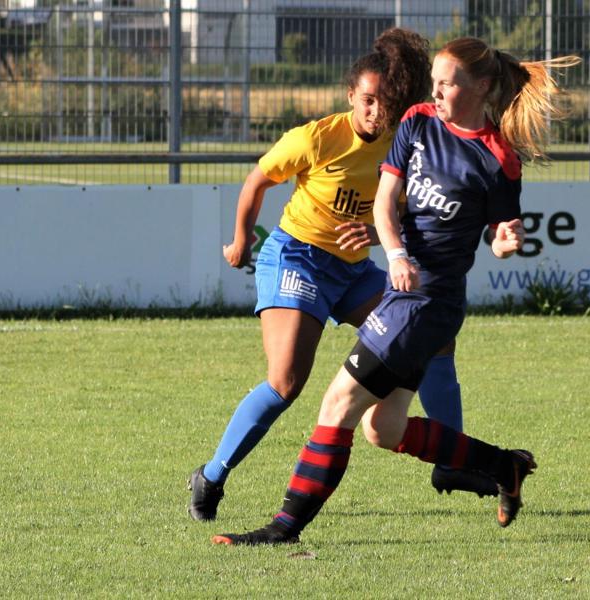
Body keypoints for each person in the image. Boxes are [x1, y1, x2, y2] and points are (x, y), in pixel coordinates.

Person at [212, 37, 580, 545]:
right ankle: (505, 466)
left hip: (431, 304)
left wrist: (506, 240)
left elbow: (497, 238)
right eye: (435, 83)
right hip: (402, 290)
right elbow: (387, 202)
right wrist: (397, 254)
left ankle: (284, 528)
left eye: (448, 84)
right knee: (383, 430)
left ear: (483, 87)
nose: (437, 92)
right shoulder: (417, 122)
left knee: (337, 404)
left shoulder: (498, 158)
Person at [188, 28, 497, 523]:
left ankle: (450, 462)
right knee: (287, 381)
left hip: (353, 272)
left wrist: (376, 240)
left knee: (436, 338)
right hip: (297, 258)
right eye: (368, 100)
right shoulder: (316, 137)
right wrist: (243, 241)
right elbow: (257, 180)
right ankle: (213, 474)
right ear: (351, 95)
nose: (376, 111)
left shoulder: (404, 141)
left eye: (385, 101)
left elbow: (401, 214)